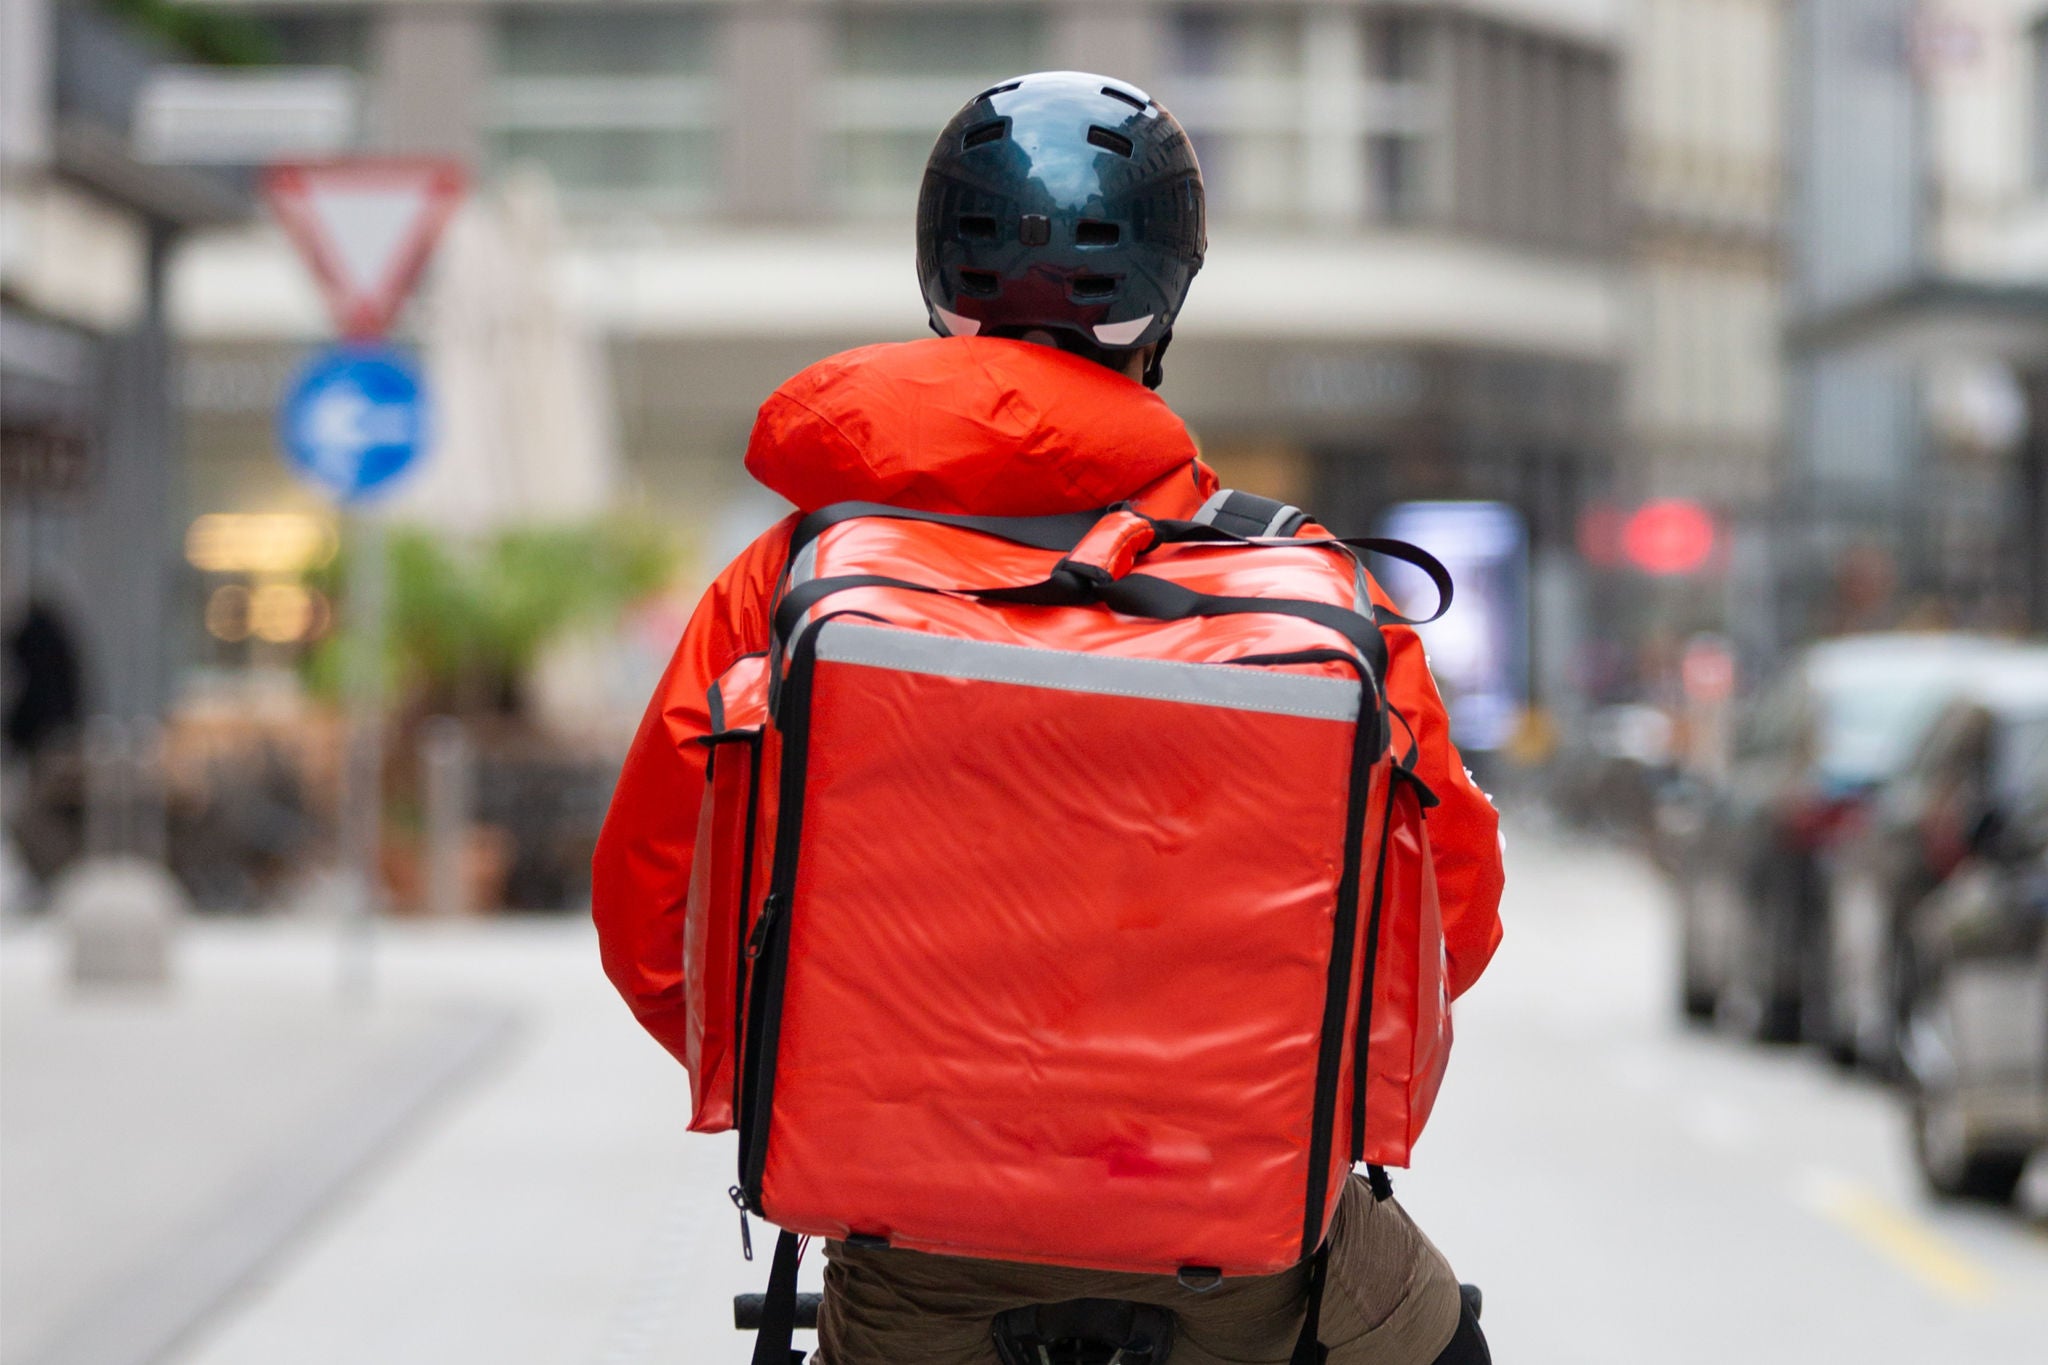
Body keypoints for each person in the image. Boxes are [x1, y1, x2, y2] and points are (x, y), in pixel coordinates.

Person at [593, 71, 1505, 1365]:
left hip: (911, 1237)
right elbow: (1449, 925)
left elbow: (654, 920)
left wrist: (830, 1087)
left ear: (939, 279)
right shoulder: (1310, 589)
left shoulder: (789, 579)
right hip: (1239, 1229)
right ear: (1166, 298)